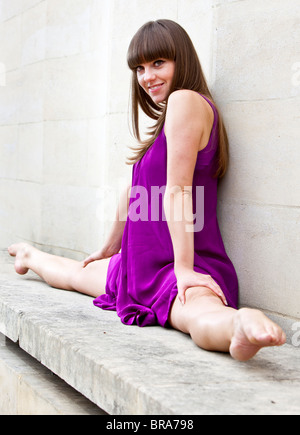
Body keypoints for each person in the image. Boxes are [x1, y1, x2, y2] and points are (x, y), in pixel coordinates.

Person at [8, 19, 286, 361]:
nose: (147, 77)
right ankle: (28, 255)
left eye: (158, 63)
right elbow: (135, 191)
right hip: (138, 264)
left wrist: (184, 270)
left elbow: (180, 191)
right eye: (139, 68)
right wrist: (110, 246)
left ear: (181, 61)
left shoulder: (186, 101)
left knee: (197, 314)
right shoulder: (167, 120)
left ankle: (242, 325)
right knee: (70, 273)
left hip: (176, 262)